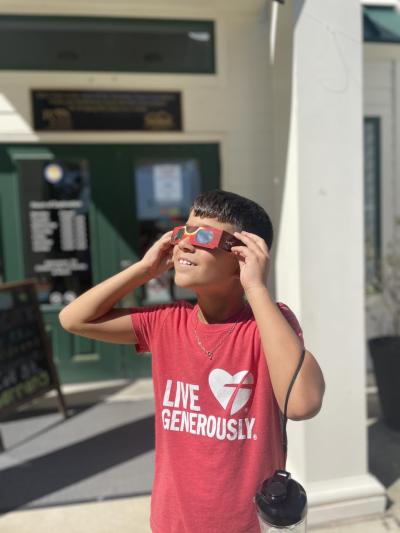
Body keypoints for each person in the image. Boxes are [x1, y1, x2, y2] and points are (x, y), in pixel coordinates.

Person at [59, 189, 325, 533]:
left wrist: (257, 288)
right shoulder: (166, 322)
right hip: (173, 523)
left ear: (243, 255)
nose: (184, 244)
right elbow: (73, 320)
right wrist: (144, 269)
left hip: (247, 525)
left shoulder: (268, 325)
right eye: (181, 233)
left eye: (203, 236)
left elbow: (303, 403)